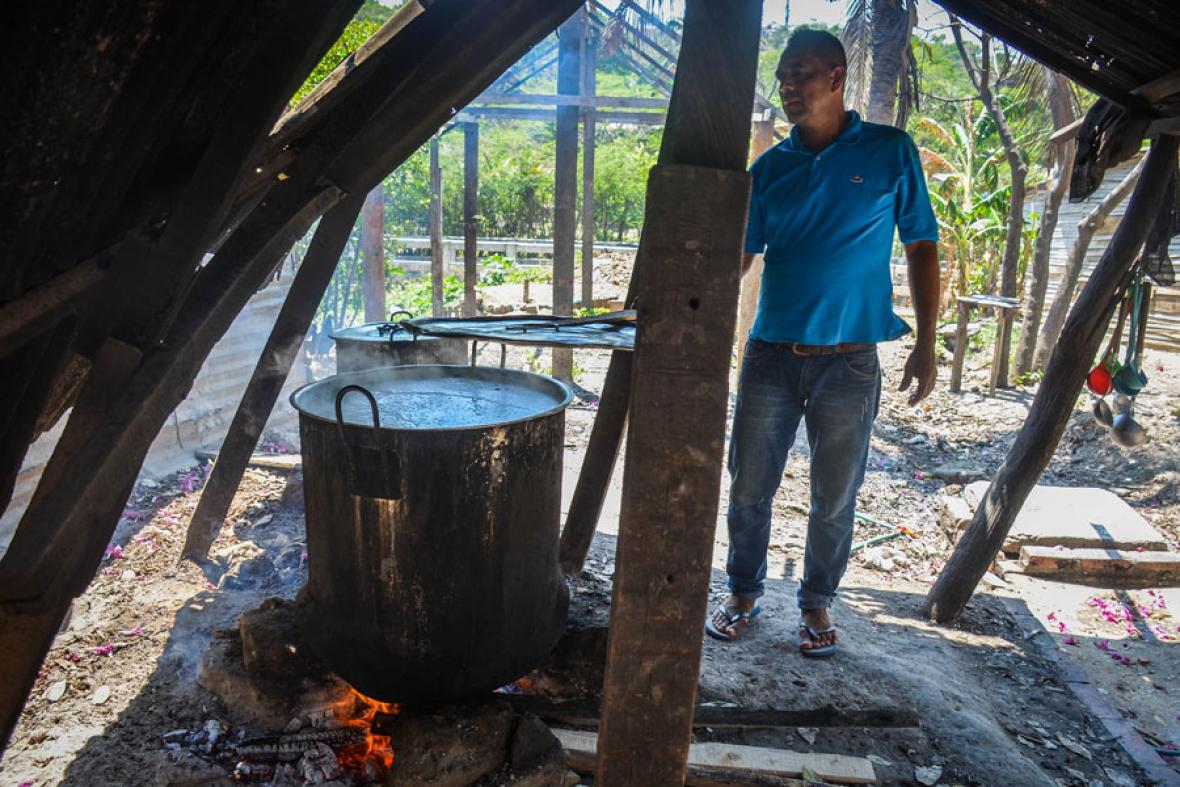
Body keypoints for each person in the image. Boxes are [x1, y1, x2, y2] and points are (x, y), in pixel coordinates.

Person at [706, 29, 941, 656]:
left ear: (836, 78)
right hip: (770, 356)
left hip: (851, 361)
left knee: (835, 498)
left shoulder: (890, 152)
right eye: (783, 74)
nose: (787, 85)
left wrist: (925, 342)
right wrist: (688, 308)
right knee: (748, 489)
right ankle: (742, 593)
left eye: (801, 73)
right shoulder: (768, 169)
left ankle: (816, 602)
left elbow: (921, 244)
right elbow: (740, 258)